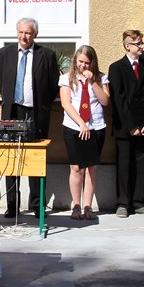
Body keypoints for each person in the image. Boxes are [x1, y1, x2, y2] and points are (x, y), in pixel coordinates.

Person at [0, 17, 59, 218]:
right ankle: (12, 205)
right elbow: (0, 82)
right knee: (11, 157)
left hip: (36, 112)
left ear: (35, 35)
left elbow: (53, 85)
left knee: (36, 158)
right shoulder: (5, 53)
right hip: (12, 111)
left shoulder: (47, 55)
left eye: (28, 33)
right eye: (21, 32)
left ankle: (37, 205)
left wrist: (43, 104)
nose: (24, 36)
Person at [108, 30, 144, 218]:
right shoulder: (117, 68)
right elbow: (118, 99)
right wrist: (130, 125)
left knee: (140, 163)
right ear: (127, 46)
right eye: (137, 43)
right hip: (125, 126)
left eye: (142, 43)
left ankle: (138, 202)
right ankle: (123, 203)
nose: (141, 46)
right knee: (124, 164)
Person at [59, 45, 110, 220]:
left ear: (92, 63)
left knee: (91, 168)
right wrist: (81, 123)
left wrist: (93, 82)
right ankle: (76, 206)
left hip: (96, 126)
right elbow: (66, 103)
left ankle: (88, 206)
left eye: (87, 63)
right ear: (75, 61)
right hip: (74, 126)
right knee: (76, 168)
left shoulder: (101, 78)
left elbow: (105, 101)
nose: (83, 66)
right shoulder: (67, 78)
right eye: (80, 62)